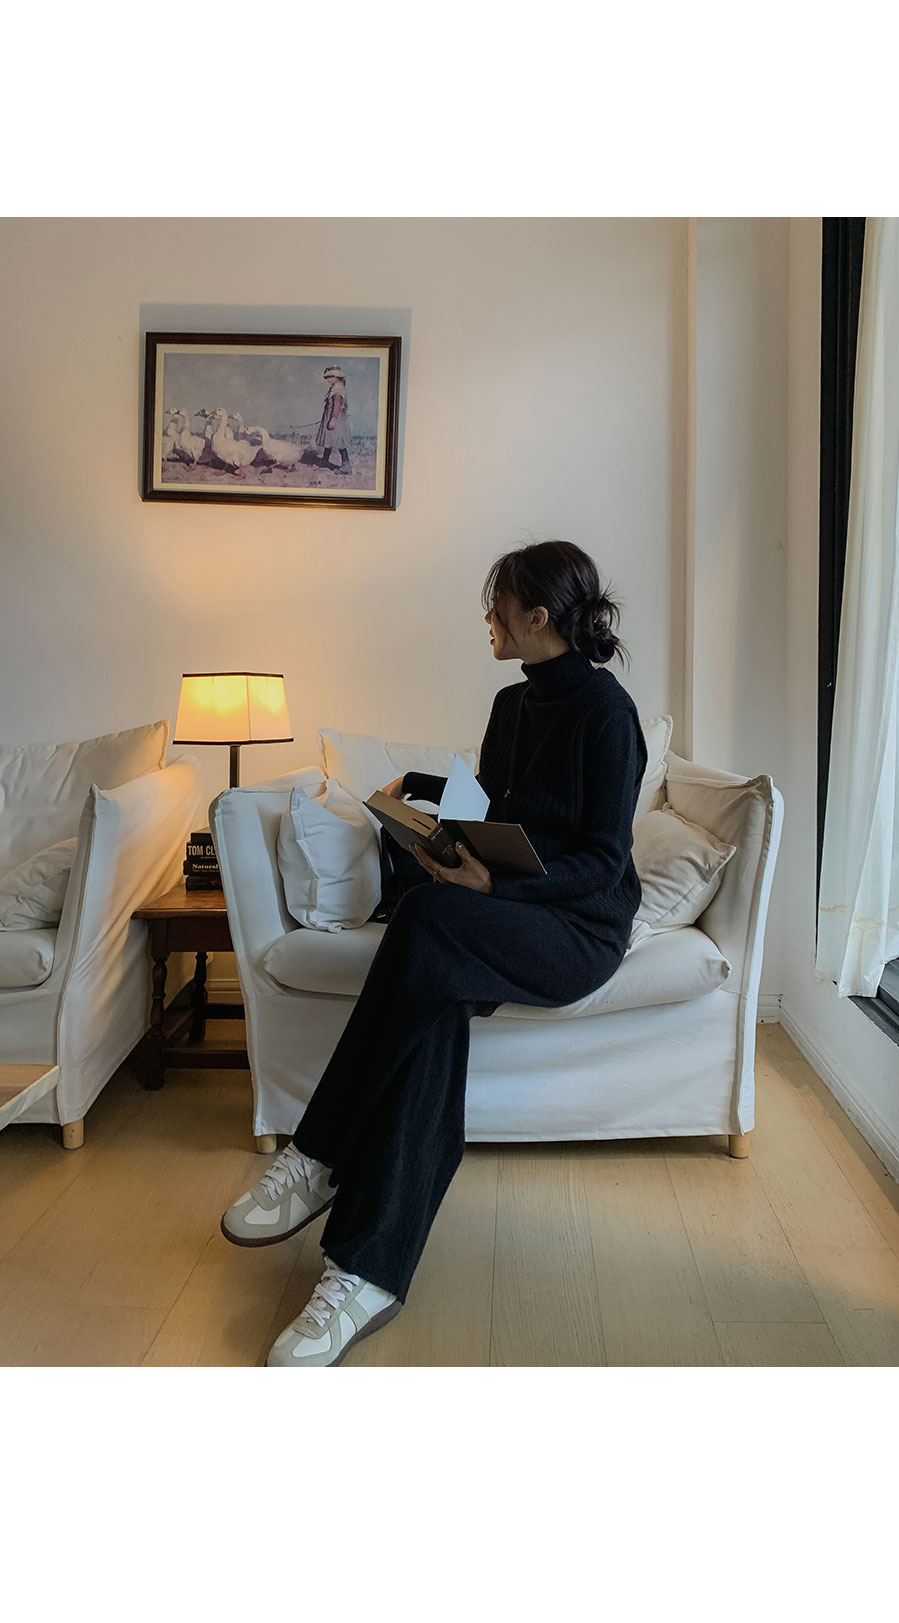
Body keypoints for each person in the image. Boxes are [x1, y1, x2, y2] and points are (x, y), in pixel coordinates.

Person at [221, 539, 648, 1366]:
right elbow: (499, 812)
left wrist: (494, 887)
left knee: (427, 921)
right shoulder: (510, 704)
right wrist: (426, 818)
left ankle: (319, 1152)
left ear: (538, 616)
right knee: (432, 991)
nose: (487, 617)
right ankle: (365, 1274)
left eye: (499, 604)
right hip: (501, 912)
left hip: (577, 929)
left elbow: (601, 861)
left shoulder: (608, 714)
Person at [315, 365, 352, 475]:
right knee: (329, 439)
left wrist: (333, 419)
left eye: (330, 377)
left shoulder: (338, 389)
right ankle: (325, 461)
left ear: (336, 377)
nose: (328, 379)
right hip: (330, 415)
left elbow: (337, 404)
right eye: (327, 377)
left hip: (335, 417)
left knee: (339, 441)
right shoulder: (335, 387)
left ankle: (346, 466)